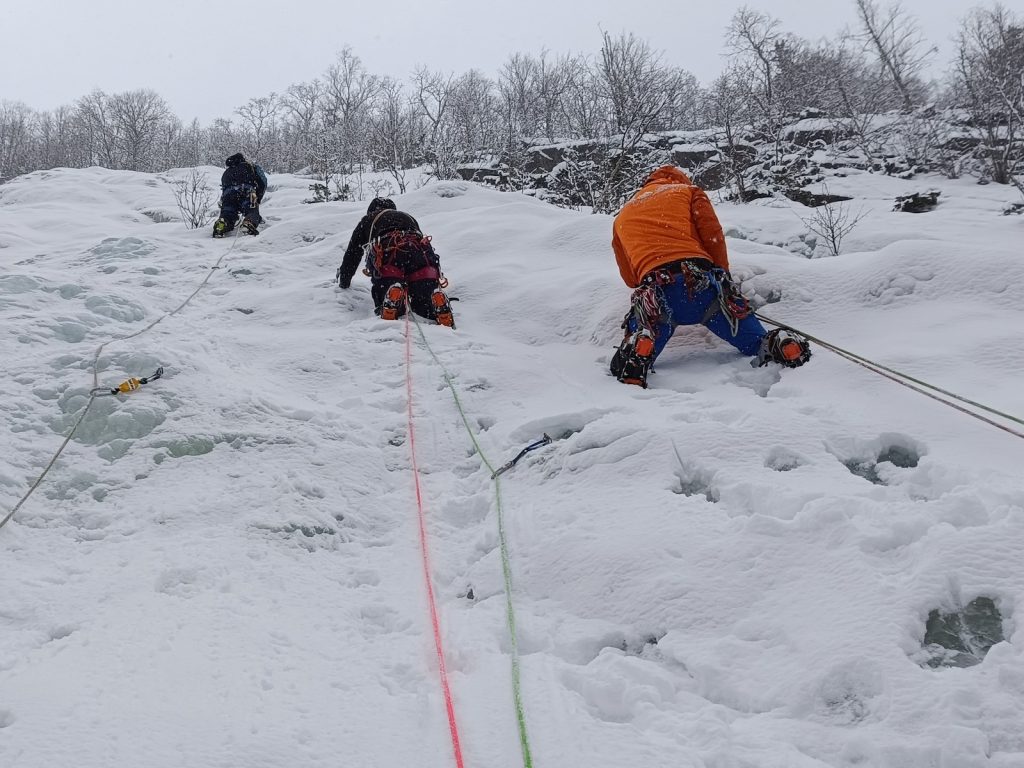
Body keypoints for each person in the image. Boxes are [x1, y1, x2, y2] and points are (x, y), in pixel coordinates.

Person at [610, 166, 810, 387]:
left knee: (637, 348)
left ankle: (640, 346)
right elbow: (712, 234)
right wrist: (724, 278)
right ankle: (778, 345)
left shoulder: (623, 215)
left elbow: (630, 278)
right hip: (701, 286)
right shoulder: (688, 192)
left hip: (656, 295)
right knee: (756, 342)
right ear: (680, 179)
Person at [336, 197, 455, 327]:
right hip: (420, 253)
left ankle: (392, 299)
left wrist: (344, 281)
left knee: (388, 289)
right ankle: (434, 305)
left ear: (370, 210)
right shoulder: (408, 217)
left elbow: (352, 254)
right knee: (422, 294)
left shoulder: (369, 219)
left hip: (390, 252)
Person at [212, 153, 268, 237]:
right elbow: (263, 181)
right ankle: (248, 223)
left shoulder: (226, 173)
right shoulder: (250, 166)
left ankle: (223, 223)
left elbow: (224, 189)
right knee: (251, 211)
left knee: (228, 213)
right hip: (246, 192)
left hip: (228, 196)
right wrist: (258, 197)